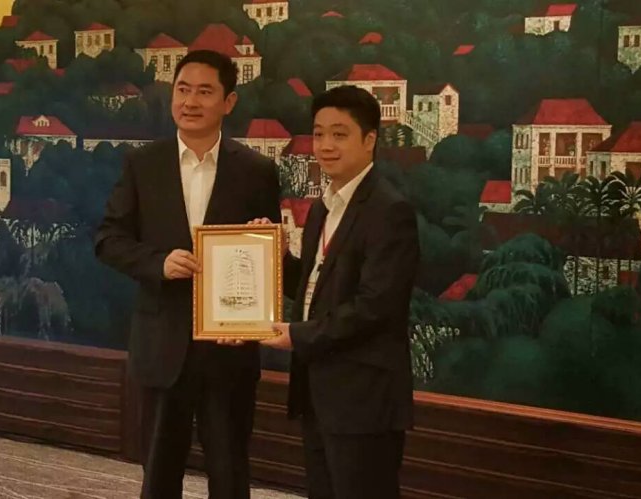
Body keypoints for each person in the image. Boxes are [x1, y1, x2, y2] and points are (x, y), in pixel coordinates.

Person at [95, 49, 281, 499]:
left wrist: (264, 241)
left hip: (230, 352)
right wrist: (157, 263)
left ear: (229, 101)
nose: (190, 101)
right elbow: (109, 239)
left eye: (204, 91)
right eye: (182, 89)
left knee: (230, 475)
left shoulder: (256, 171)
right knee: (159, 476)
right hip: (162, 346)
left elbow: (268, 258)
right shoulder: (143, 165)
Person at [260, 85, 420, 499]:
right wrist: (274, 257)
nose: (325, 145)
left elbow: (375, 307)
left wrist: (297, 335)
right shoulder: (322, 207)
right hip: (319, 391)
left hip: (364, 398)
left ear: (370, 140)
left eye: (339, 134)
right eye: (318, 134)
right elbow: (315, 287)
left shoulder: (389, 210)